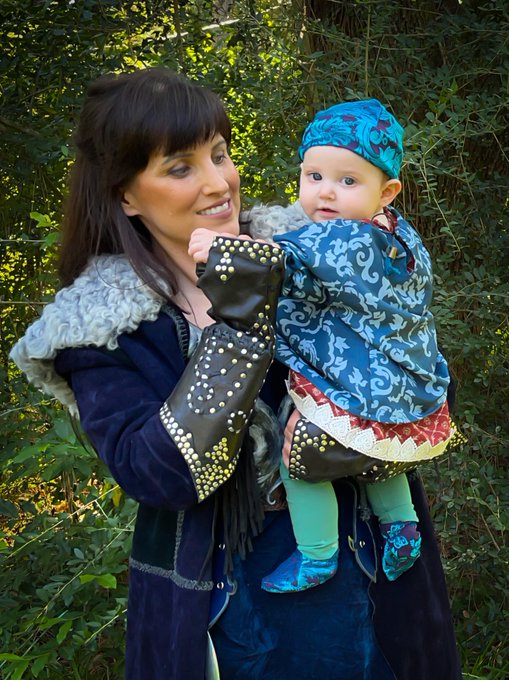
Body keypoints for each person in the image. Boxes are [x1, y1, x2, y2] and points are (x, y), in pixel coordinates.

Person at [10, 69, 462, 679]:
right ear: (126, 195)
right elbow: (160, 475)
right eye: (180, 168)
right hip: (229, 607)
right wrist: (241, 323)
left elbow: (424, 378)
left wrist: (358, 432)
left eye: (220, 155)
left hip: (381, 585)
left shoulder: (313, 246)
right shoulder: (99, 330)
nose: (218, 182)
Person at [190, 99, 454, 593]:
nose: (327, 191)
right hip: (403, 385)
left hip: (355, 383)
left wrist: (223, 251)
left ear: (387, 191)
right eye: (314, 176)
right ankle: (402, 528)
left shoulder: (344, 238)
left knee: (301, 460)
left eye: (348, 181)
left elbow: (282, 260)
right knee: (379, 451)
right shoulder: (398, 235)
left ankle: (317, 555)